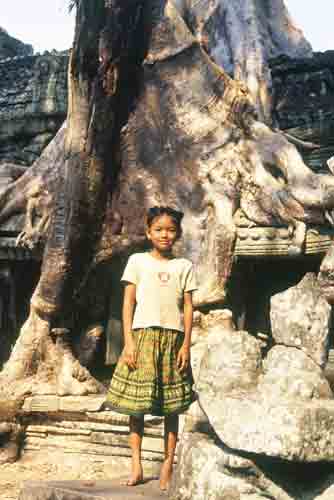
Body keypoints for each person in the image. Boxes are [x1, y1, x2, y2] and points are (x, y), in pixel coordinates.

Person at [105, 205, 197, 490]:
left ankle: (168, 463)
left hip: (172, 341)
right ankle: (136, 462)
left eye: (170, 230)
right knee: (137, 406)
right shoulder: (137, 261)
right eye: (158, 229)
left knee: (171, 408)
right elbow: (128, 303)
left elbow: (189, 308)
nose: (165, 235)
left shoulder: (184, 266)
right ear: (148, 232)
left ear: (178, 234)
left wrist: (186, 345)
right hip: (142, 338)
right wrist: (129, 342)